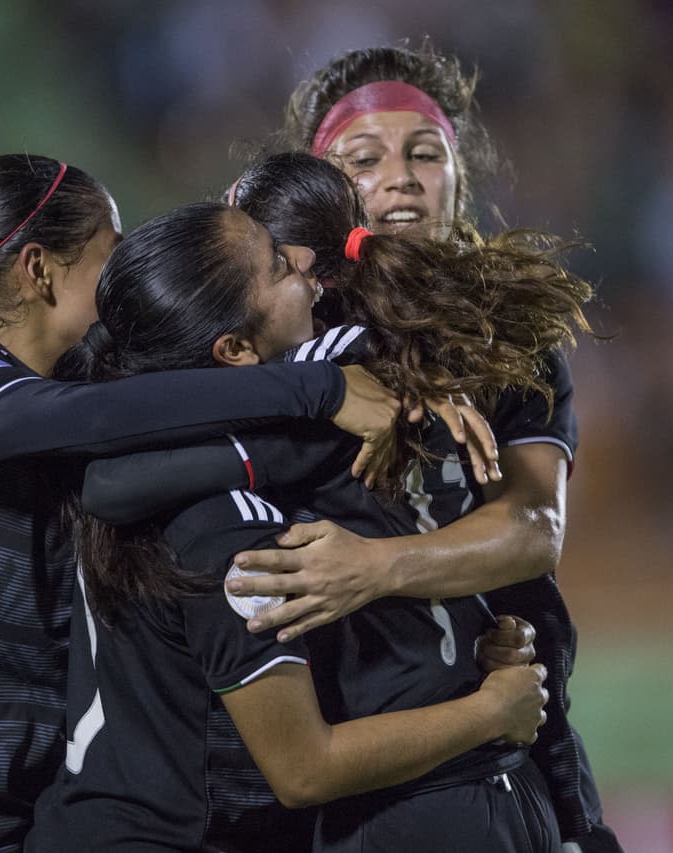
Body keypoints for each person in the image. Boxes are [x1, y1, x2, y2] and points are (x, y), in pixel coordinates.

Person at [0, 153, 407, 853]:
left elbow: (135, 444)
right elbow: (103, 417)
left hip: (34, 793)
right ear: (38, 270)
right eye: (107, 257)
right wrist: (318, 391)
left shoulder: (68, 380)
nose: (121, 282)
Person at [77, 152, 593, 851]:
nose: (303, 285)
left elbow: (109, 478)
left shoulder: (288, 406)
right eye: (276, 269)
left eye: (288, 261)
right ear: (229, 349)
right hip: (468, 786)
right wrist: (492, 697)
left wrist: (486, 683)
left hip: (409, 803)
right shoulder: (378, 371)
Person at [266, 45, 625, 853]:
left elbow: (534, 527)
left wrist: (375, 568)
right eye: (365, 158)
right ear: (316, 190)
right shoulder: (271, 328)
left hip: (487, 761)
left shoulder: (510, 339)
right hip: (306, 763)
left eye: (425, 154)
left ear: (460, 178)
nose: (400, 176)